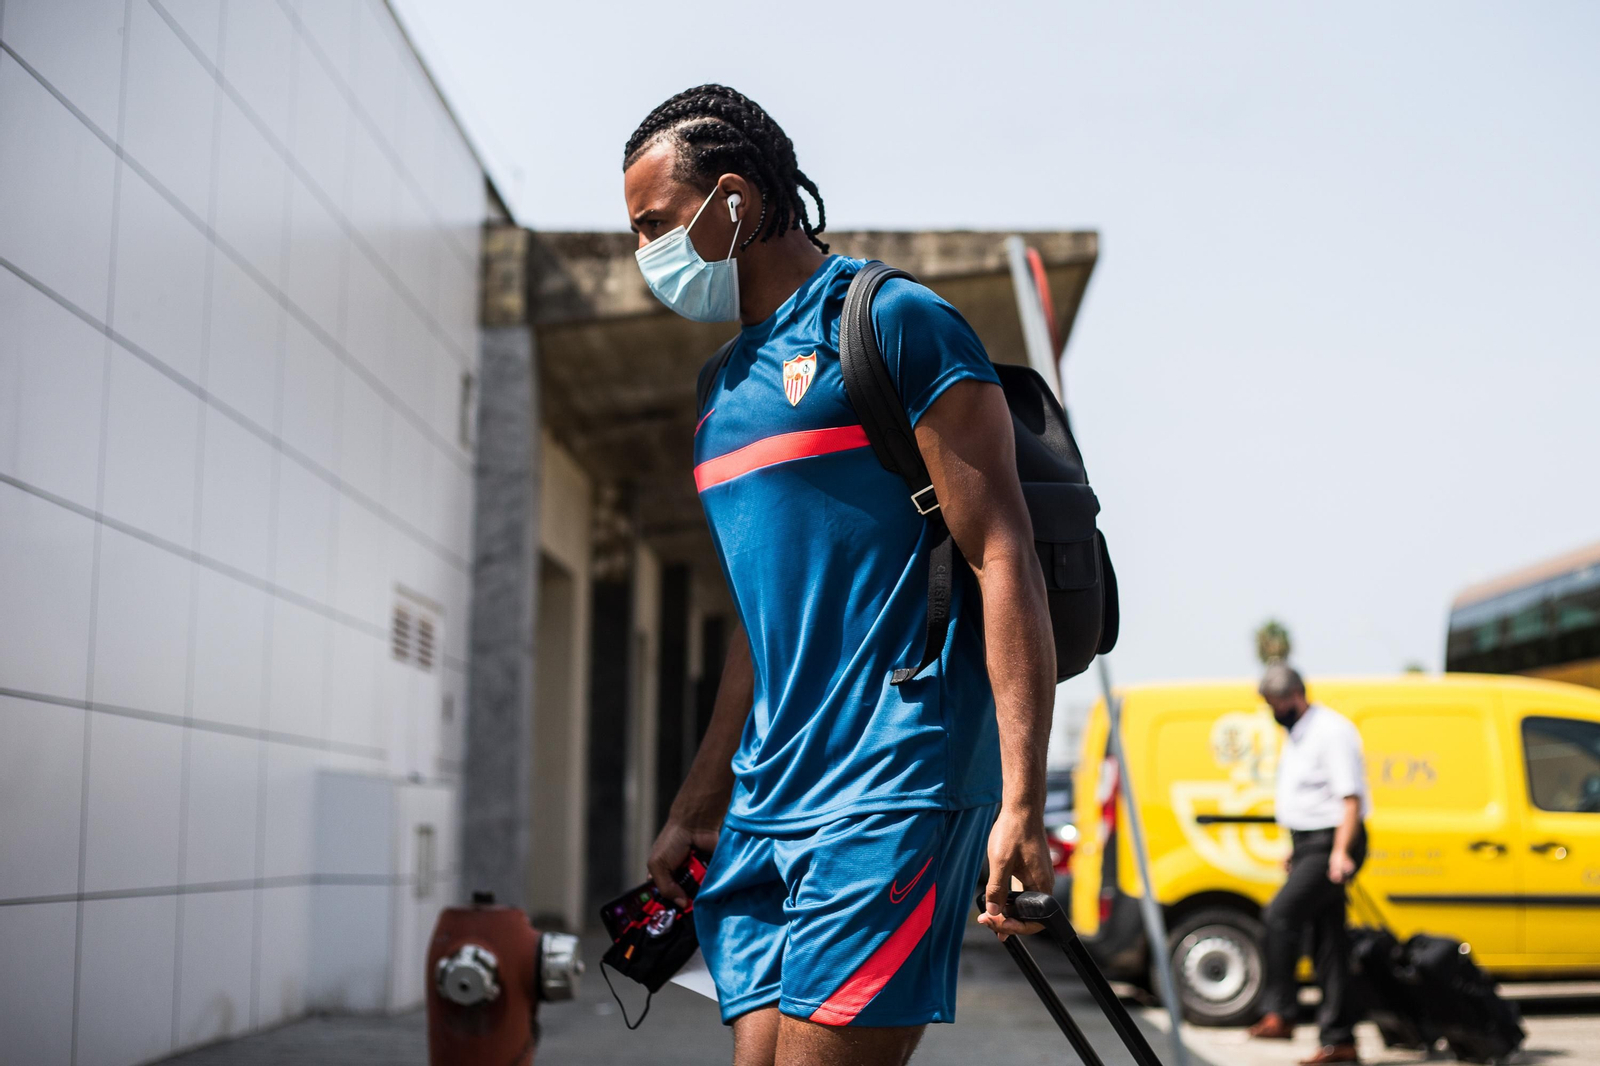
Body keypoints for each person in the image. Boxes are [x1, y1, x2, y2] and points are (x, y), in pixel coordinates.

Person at [623, 85, 1057, 1066]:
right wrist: (699, 801)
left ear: (732, 202)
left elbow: (1002, 551)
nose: (641, 254)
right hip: (767, 795)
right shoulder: (717, 391)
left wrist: (1023, 803)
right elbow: (757, 616)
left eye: (652, 225)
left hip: (893, 776)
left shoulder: (896, 322)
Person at [1248, 664, 1371, 1065]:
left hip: (1335, 840)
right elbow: (1307, 800)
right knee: (1329, 943)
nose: (1272, 710)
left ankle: (1281, 1013)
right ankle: (1340, 1041)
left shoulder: (1330, 731)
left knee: (1279, 915)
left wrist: (1339, 853)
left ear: (1295, 696)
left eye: (1275, 702)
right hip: (1310, 843)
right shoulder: (1298, 734)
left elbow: (1349, 800)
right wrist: (1296, 850)